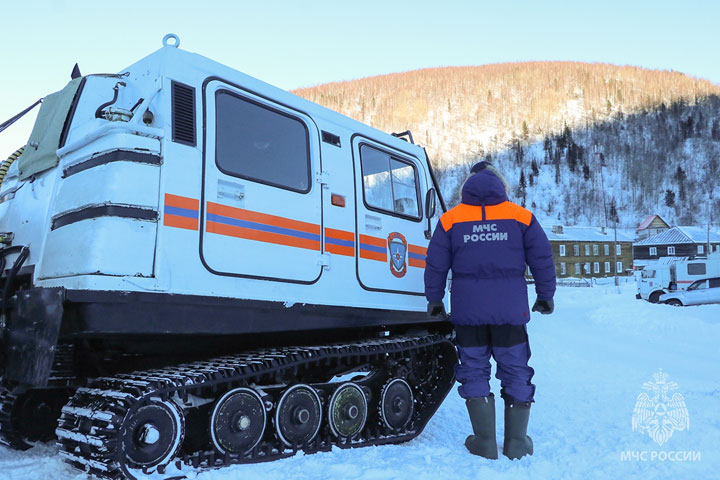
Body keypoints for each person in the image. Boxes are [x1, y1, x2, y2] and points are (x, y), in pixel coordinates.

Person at [424, 161, 556, 460]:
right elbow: (542, 258)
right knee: (515, 371)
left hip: (468, 312)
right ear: (501, 185)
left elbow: (435, 265)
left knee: (473, 369)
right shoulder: (521, 217)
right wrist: (545, 295)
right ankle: (517, 444)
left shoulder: (450, 220)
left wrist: (435, 299)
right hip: (509, 312)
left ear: (466, 187)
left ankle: (484, 442)